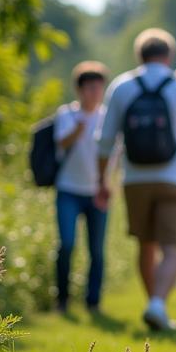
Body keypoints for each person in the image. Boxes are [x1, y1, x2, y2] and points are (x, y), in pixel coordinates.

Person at [96, 28, 176, 331]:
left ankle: (155, 307)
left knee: (145, 243)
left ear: (139, 54)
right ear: (170, 56)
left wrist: (102, 180)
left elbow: (105, 141)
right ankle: (158, 305)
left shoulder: (121, 87)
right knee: (174, 246)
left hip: (135, 178)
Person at [53, 61, 109, 313]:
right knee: (66, 244)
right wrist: (79, 127)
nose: (94, 92)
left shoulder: (108, 117)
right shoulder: (66, 114)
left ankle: (93, 301)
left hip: (97, 191)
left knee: (96, 250)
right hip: (68, 190)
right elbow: (62, 143)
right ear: (79, 89)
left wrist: (108, 184)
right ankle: (62, 299)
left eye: (98, 87)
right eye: (89, 87)